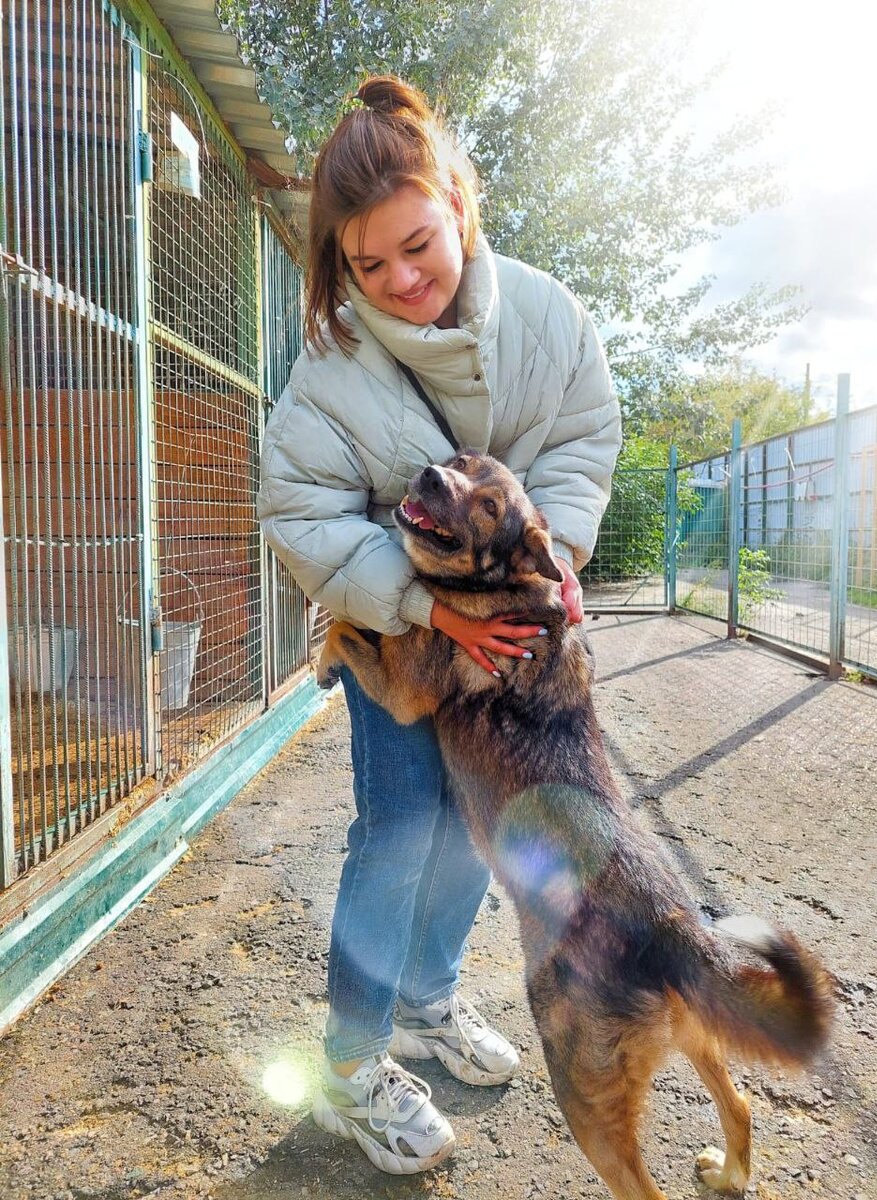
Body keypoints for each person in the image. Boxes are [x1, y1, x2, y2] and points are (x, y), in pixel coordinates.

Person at [258, 75, 622, 1176]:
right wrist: (427, 607)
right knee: (400, 832)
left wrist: (549, 560)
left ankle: (426, 1003)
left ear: (459, 206)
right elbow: (299, 510)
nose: (401, 282)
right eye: (368, 266)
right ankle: (354, 1060)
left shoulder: (551, 317)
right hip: (403, 643)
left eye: (419, 245)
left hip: (516, 651)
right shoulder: (330, 368)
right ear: (340, 268)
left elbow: (584, 440)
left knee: (484, 835)